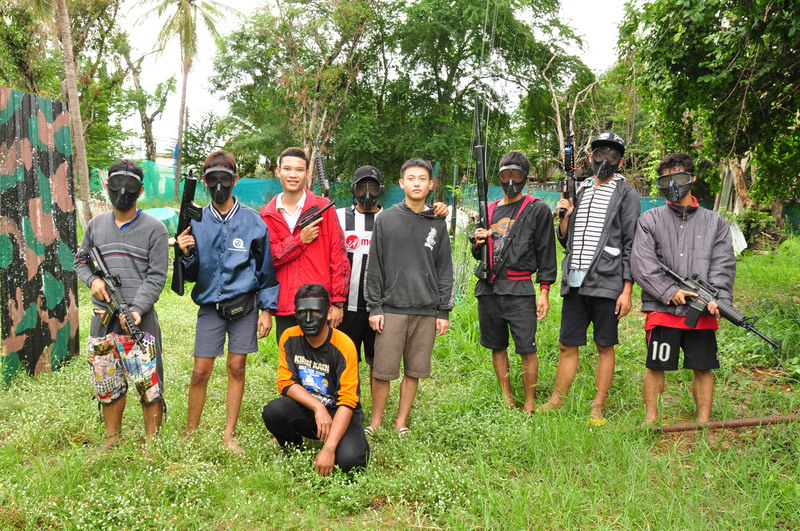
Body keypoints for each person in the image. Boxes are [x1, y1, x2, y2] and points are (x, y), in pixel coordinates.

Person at [176, 150, 279, 452]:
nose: (219, 186)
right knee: (200, 371)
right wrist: (185, 252)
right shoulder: (196, 220)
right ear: (204, 181)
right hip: (210, 306)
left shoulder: (253, 221)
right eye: (212, 180)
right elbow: (190, 274)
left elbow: (266, 269)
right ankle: (191, 432)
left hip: (244, 306)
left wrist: (267, 310)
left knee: (236, 367)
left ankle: (229, 435)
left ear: (235, 179)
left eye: (225, 179)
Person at [542, 132, 640, 423]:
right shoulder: (580, 190)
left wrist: (626, 290)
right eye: (600, 154)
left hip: (607, 282)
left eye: (612, 155)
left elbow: (631, 243)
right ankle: (557, 399)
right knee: (567, 344)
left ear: (621, 161)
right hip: (575, 280)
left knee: (604, 345)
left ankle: (598, 405)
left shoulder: (626, 194)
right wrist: (564, 215)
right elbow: (566, 240)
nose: (605, 160)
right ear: (590, 158)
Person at [631, 153, 735, 425]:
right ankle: (651, 421)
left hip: (702, 309)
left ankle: (703, 422)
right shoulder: (650, 219)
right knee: (656, 365)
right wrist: (669, 291)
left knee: (703, 366)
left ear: (692, 179)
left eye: (678, 178)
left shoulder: (716, 222)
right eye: (665, 180)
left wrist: (720, 299)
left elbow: (723, 265)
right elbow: (642, 263)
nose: (672, 185)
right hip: (662, 309)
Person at [75, 159, 168, 448]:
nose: (123, 192)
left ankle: (153, 444)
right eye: (117, 185)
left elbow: (156, 276)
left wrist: (137, 309)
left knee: (148, 383)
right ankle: (111, 439)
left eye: (130, 187)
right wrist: (93, 280)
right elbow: (80, 261)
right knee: (107, 380)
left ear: (141, 190)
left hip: (139, 319)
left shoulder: (155, 229)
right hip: (103, 317)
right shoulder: (95, 225)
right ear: (107, 186)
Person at [336, 166, 448, 390]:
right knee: (344, 360)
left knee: (378, 362)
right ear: (353, 189)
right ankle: (349, 403)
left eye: (373, 187)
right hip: (347, 305)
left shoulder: (390, 218)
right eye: (362, 187)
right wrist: (334, 302)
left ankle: (373, 406)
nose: (367, 193)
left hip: (382, 307)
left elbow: (419, 223)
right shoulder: (338, 217)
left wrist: (437, 209)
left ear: (382, 189)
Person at [364, 157, 454, 435]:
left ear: (431, 185)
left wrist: (443, 311)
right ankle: (376, 422)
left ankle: (401, 422)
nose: (417, 183)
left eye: (422, 179)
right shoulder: (386, 219)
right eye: (411, 178)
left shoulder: (437, 222)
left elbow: (444, 268)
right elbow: (375, 265)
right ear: (401, 183)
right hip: (391, 308)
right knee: (382, 370)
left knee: (414, 370)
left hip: (425, 310)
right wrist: (375, 307)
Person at [470, 151, 557, 413]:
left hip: (519, 289)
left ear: (526, 178)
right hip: (488, 288)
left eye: (516, 175)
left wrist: (544, 291)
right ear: (499, 176)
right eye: (505, 174)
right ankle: (507, 399)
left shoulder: (537, 209)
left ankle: (529, 403)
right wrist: (478, 242)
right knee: (497, 346)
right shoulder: (489, 209)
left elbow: (546, 252)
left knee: (526, 348)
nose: (510, 181)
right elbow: (478, 253)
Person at [262, 283, 369, 475]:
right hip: (309, 408)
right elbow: (285, 382)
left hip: (339, 411)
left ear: (328, 313)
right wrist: (318, 407)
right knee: (273, 411)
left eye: (316, 312)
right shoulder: (289, 337)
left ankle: (334, 443)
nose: (309, 320)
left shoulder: (344, 345)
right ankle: (294, 450)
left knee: (351, 463)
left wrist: (329, 448)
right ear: (295, 313)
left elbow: (348, 400)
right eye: (302, 313)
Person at [261, 147, 350, 342]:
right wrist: (299, 240)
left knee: (322, 359)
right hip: (286, 305)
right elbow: (268, 260)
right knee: (291, 358)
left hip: (319, 304)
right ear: (278, 171)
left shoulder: (323, 208)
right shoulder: (267, 214)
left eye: (299, 170)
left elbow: (339, 256)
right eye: (287, 169)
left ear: (307, 173)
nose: (293, 175)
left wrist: (337, 301)